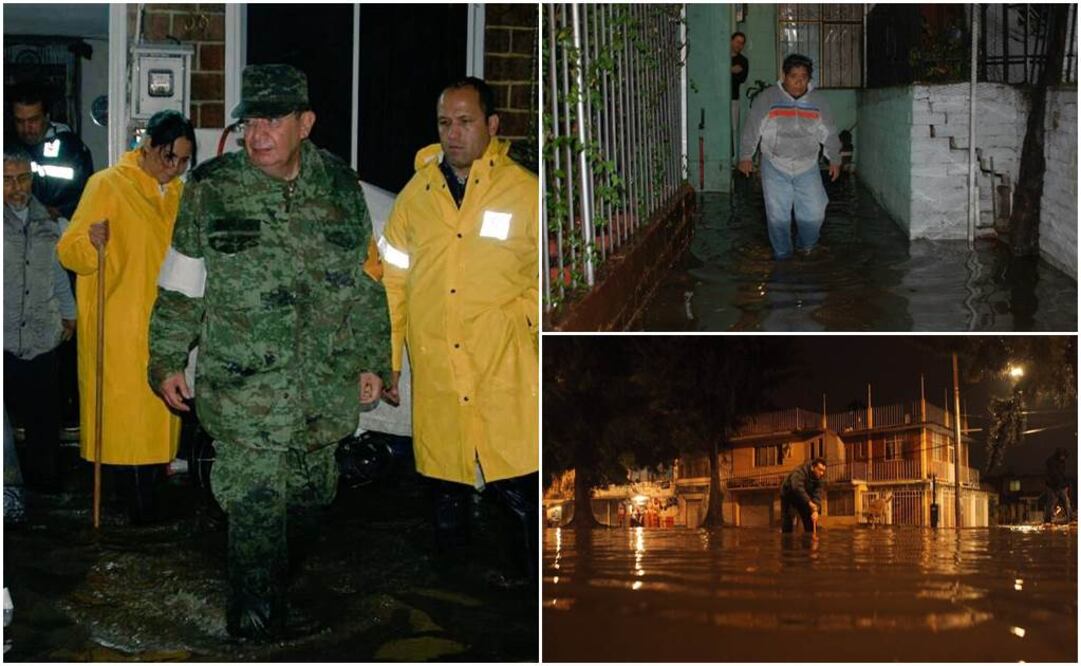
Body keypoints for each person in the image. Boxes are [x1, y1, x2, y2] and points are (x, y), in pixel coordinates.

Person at [147, 64, 390, 641]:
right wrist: (165, 360)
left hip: (320, 391)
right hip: (243, 391)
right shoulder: (211, 189)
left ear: (304, 123)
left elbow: (367, 283)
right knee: (255, 515)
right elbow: (182, 285)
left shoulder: (341, 188)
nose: (258, 133)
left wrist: (374, 361)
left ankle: (274, 593)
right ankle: (255, 637)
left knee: (307, 504)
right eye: (250, 120)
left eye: (273, 120)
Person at [381, 77, 538, 581]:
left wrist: (520, 323)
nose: (454, 134)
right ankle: (455, 615)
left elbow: (547, 275)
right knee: (445, 493)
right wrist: (388, 360)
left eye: (466, 122)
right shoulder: (415, 197)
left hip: (503, 370)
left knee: (518, 492)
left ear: (491, 125)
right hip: (440, 373)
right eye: (445, 123)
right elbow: (393, 284)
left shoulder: (523, 192)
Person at [56, 110, 195, 524]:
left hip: (161, 328)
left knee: (155, 423)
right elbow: (68, 249)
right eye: (169, 157)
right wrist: (90, 241)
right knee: (124, 428)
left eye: (184, 160)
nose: (175, 168)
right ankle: (133, 514)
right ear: (147, 146)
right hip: (117, 327)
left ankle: (147, 508)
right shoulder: (107, 185)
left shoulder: (180, 196)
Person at [4, 145, 76, 492]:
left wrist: (69, 314)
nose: (17, 188)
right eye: (7, 181)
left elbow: (59, 273)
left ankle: (45, 494)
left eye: (23, 178)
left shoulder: (50, 220)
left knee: (44, 425)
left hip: (41, 335)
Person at [738, 53, 842, 260]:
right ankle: (783, 256)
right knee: (778, 215)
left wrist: (835, 159)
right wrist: (745, 155)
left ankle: (806, 247)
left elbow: (829, 131)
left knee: (815, 211)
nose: (798, 81)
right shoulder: (767, 98)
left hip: (808, 165)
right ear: (783, 76)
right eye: (794, 75)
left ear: (809, 79)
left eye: (803, 76)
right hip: (775, 164)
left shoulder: (818, 101)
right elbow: (752, 128)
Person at [9, 82, 94, 221]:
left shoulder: (71, 148)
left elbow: (88, 192)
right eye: (20, 121)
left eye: (33, 120)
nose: (26, 128)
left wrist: (61, 211)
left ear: (47, 116)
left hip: (59, 227)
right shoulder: (9, 149)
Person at [780, 457, 826, 533]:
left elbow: (818, 494)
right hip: (789, 496)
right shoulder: (799, 472)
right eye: (820, 470)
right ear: (812, 467)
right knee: (788, 523)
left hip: (804, 498)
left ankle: (809, 542)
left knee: (811, 522)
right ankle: (786, 539)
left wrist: (815, 510)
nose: (822, 473)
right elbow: (797, 487)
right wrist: (810, 503)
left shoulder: (820, 479)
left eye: (823, 471)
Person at [730, 31, 749, 153]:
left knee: (733, 127)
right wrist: (730, 69)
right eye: (737, 42)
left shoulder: (743, 60)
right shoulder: (722, 57)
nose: (739, 45)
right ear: (731, 41)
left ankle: (732, 158)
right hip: (718, 99)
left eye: (741, 43)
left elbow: (742, 78)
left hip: (733, 97)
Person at [1043, 447, 1072, 524]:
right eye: (1063, 456)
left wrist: (1065, 484)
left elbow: (1063, 474)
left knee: (1066, 501)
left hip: (1061, 485)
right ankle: (1047, 519)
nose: (1064, 458)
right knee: (1051, 502)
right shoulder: (1051, 462)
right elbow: (1054, 474)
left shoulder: (1062, 461)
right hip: (1052, 485)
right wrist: (1058, 485)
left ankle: (1070, 517)